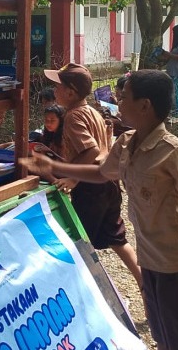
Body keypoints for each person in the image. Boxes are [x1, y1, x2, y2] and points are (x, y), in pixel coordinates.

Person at [20, 70, 178, 350]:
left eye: (124, 97)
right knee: (164, 336)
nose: (117, 102)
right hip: (151, 263)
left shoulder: (173, 152)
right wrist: (55, 167)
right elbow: (101, 173)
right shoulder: (126, 142)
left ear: (144, 106)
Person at [43, 63, 142, 289]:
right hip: (109, 183)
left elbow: (91, 150)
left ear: (70, 92)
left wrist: (72, 179)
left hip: (90, 188)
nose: (54, 91)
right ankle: (144, 282)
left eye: (57, 86)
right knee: (117, 238)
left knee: (79, 241)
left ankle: (89, 291)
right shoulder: (92, 112)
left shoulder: (73, 116)